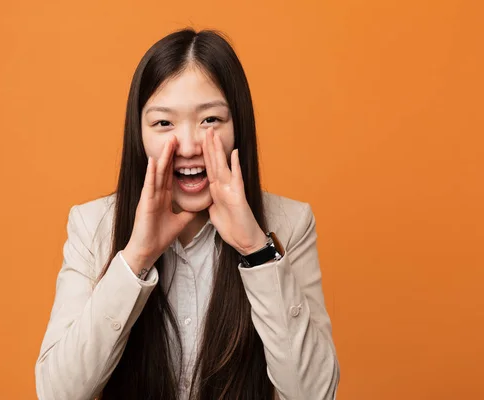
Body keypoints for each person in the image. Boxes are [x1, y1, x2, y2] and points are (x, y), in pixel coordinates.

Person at [35, 28, 340, 400]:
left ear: (238, 126)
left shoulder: (289, 225)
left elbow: (315, 393)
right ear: (139, 134)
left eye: (210, 120)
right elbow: (58, 393)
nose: (191, 145)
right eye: (164, 123)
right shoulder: (92, 225)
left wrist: (255, 249)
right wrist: (136, 258)